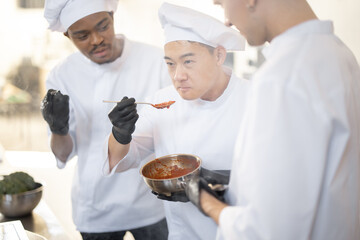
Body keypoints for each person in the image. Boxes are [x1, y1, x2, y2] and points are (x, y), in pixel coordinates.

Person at [197, 0, 360, 239]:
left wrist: (206, 202)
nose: (227, 20)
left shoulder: (281, 78)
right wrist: (239, 184)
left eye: (222, 4)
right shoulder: (338, 52)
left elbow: (268, 231)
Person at [103, 2, 249, 239]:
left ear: (219, 55)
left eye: (188, 61)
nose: (177, 76)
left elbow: (280, 182)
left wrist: (224, 181)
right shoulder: (162, 103)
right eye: (170, 64)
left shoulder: (255, 101)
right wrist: (120, 133)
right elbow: (120, 161)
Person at [40, 0, 171, 239]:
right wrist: (58, 128)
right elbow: (62, 154)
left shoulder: (155, 60)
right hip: (97, 207)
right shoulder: (62, 75)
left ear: (112, 16)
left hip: (152, 201)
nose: (96, 40)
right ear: (68, 36)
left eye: (103, 26)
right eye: (82, 35)